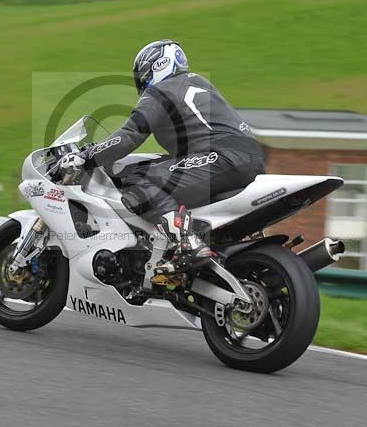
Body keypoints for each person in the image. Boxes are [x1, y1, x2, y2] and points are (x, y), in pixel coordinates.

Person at [61, 39, 265, 273]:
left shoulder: (161, 90)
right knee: (162, 172)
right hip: (251, 157)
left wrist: (87, 156)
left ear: (156, 66)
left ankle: (187, 243)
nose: (142, 82)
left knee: (137, 182)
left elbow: (129, 136)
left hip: (220, 157)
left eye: (142, 75)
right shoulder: (199, 83)